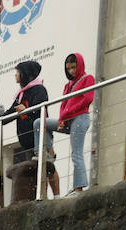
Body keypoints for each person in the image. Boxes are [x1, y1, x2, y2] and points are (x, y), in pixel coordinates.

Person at [46, 53, 96, 192]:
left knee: (76, 153)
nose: (72, 71)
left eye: (74, 67)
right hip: (68, 120)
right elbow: (64, 105)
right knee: (40, 123)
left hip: (80, 118)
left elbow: (87, 99)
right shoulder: (68, 85)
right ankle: (48, 153)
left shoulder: (88, 78)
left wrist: (66, 115)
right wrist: (62, 119)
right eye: (68, 68)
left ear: (80, 65)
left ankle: (78, 188)